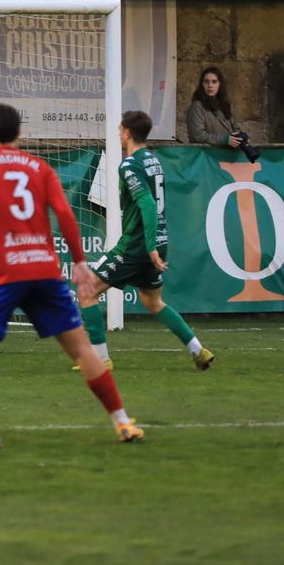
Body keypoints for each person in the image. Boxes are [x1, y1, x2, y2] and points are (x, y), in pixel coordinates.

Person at [0, 102, 143, 448]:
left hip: (4, 271)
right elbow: (64, 213)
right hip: (44, 269)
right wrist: (78, 262)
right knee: (83, 351)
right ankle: (123, 423)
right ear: (19, 133)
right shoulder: (39, 166)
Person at [79, 111, 214, 371]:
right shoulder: (153, 160)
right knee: (152, 302)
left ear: (127, 133)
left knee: (87, 291)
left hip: (139, 244)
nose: (118, 134)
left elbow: (148, 204)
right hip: (159, 239)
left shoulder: (129, 165)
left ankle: (99, 360)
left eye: (120, 129)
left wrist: (149, 247)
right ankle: (198, 350)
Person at [186, 67, 247, 150]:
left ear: (219, 84)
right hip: (207, 157)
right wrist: (225, 140)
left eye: (214, 82)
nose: (210, 86)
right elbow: (197, 135)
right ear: (202, 84)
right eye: (206, 82)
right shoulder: (197, 107)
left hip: (227, 157)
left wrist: (238, 137)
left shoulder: (224, 106)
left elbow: (236, 129)